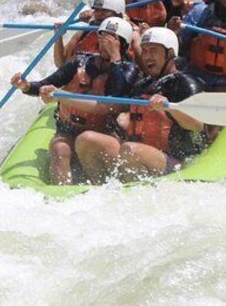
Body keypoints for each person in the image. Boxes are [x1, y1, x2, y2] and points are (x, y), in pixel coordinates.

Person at [11, 17, 139, 185]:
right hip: (69, 129)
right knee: (59, 148)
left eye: (111, 40)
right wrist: (26, 86)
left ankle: (99, 186)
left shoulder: (129, 69)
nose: (104, 43)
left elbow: (114, 96)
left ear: (122, 44)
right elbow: (46, 84)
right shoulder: (80, 61)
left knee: (86, 139)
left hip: (103, 134)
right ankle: (61, 194)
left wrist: (115, 58)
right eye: (102, 37)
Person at [74, 27, 207, 183]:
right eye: (144, 51)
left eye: (153, 51)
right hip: (135, 152)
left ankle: (129, 196)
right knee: (86, 140)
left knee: (130, 150)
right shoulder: (143, 84)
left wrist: (169, 107)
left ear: (169, 54)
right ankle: (100, 190)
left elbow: (198, 125)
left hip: (172, 160)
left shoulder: (185, 83)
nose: (147, 56)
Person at [53, 0, 126, 67]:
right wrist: (58, 37)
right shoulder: (84, 32)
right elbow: (60, 64)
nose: (99, 14)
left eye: (105, 11)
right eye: (96, 9)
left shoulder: (127, 36)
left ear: (118, 14)